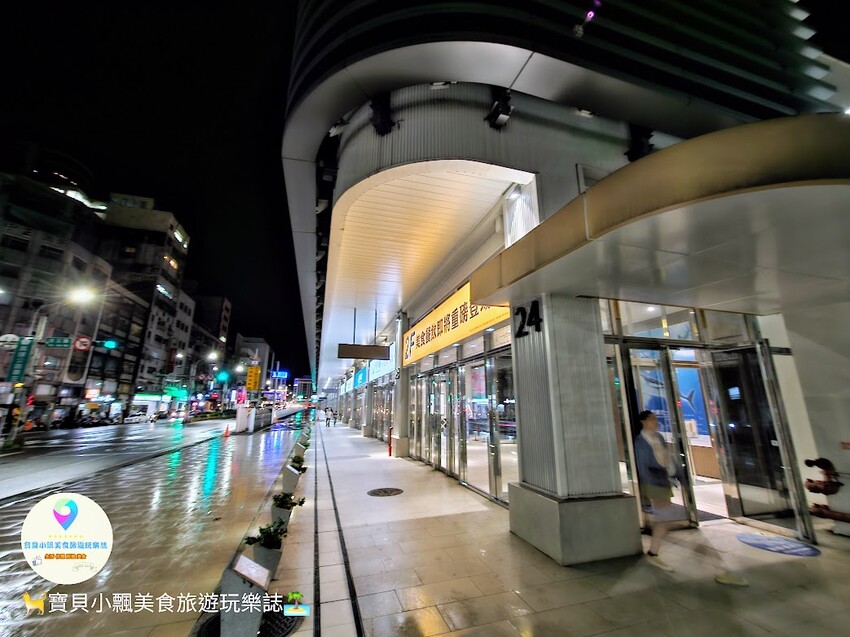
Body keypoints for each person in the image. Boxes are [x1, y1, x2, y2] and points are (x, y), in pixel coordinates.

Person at [634, 410, 681, 572]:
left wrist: (675, 475)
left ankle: (654, 551)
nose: (655, 421)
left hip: (663, 479)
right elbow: (643, 466)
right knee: (664, 517)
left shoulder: (659, 437)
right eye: (651, 419)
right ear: (643, 422)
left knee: (664, 517)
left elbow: (668, 457)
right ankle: (653, 552)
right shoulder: (641, 441)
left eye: (655, 418)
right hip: (654, 481)